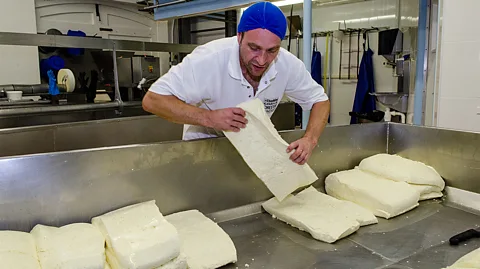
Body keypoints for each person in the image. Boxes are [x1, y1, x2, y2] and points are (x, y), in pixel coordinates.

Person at [143, 1, 330, 165]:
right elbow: (153, 100)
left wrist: (309, 139)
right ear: (239, 37)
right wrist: (210, 118)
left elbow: (320, 101)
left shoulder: (287, 65)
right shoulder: (209, 60)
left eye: (272, 50)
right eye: (254, 48)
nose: (262, 60)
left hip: (251, 148)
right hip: (203, 149)